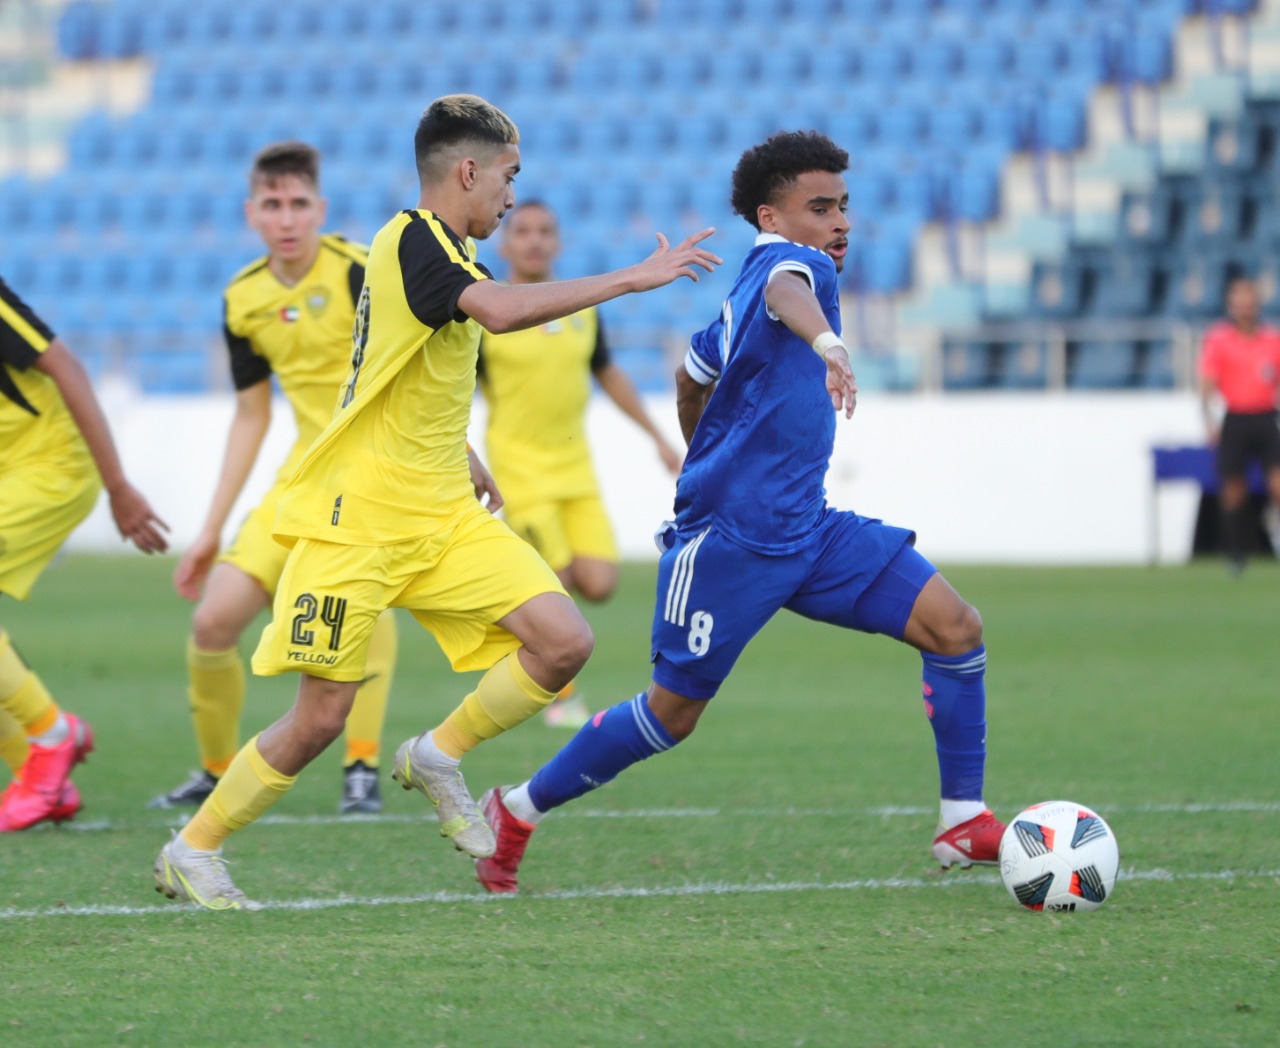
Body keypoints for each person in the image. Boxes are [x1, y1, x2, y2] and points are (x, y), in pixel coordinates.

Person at [152, 93, 720, 910]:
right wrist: (633, 277)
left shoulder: (450, 253)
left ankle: (437, 754)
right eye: (509, 177)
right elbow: (499, 314)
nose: (513, 195)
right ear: (469, 171)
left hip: (444, 515)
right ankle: (194, 848)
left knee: (563, 642)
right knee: (320, 719)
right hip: (357, 523)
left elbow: (402, 367)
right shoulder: (413, 238)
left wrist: (464, 452)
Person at [473, 131, 1005, 895]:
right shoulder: (790, 269)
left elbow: (692, 377)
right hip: (728, 545)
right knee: (671, 715)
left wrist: (707, 449)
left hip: (809, 530)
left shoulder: (741, 296)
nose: (839, 223)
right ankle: (516, 809)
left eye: (843, 206)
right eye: (819, 208)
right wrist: (827, 343)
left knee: (955, 627)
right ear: (771, 217)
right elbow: (790, 290)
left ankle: (962, 819)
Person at [153, 142, 398, 817]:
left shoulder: (361, 273)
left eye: (298, 204)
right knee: (213, 621)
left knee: (363, 615)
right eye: (272, 204)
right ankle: (213, 770)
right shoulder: (243, 297)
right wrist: (210, 530)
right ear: (251, 213)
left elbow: (414, 371)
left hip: (375, 479)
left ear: (320, 208)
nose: (286, 218)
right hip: (300, 482)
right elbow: (251, 416)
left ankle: (360, 767)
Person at [478, 200, 682, 728]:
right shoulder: (488, 312)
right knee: (556, 580)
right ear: (505, 243)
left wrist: (658, 438)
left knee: (599, 581)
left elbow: (608, 373)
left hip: (575, 470)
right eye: (523, 231)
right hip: (519, 472)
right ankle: (559, 697)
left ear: (559, 243)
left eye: (545, 231)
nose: (534, 240)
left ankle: (507, 621)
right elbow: (451, 387)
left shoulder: (582, 309)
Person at [1, 277, 168, 831]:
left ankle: (53, 737)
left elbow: (67, 367)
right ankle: (40, 777)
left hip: (51, 467)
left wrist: (118, 486)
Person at [1198, 276, 1280, 572]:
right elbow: (1207, 384)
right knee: (1233, 489)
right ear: (1231, 307)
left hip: (1266, 417)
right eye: (1239, 303)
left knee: (1277, 484)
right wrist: (1209, 421)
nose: (1245, 309)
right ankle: (1236, 552)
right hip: (1236, 418)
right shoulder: (1219, 340)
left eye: (1249, 303)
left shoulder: (1272, 339)